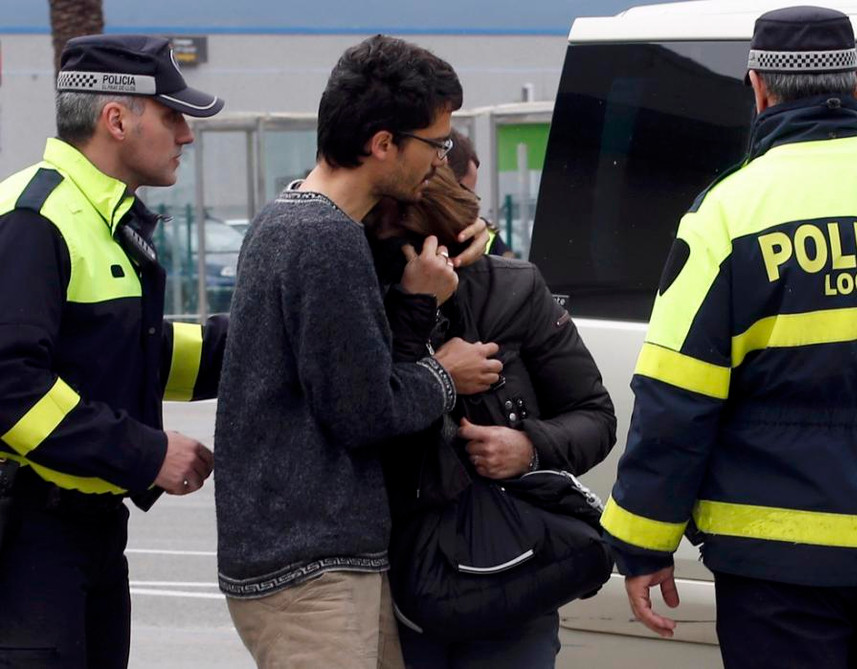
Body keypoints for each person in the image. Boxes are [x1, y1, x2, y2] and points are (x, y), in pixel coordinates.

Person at [601, 6, 857, 668]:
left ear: (758, 89)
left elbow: (676, 396)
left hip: (770, 555)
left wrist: (643, 541)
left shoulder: (729, 211)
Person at [214, 35, 502, 669]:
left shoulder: (292, 219)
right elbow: (363, 410)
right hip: (309, 570)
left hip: (311, 557)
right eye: (436, 144)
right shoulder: (323, 239)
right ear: (383, 144)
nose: (441, 160)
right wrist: (445, 374)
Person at [0, 35, 227, 669]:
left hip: (89, 531)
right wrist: (147, 453)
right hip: (30, 538)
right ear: (117, 119)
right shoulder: (35, 218)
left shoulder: (96, 215)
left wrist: (267, 336)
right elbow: (10, 388)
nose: (186, 134)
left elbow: (130, 351)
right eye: (173, 115)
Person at [367, 165, 616, 668]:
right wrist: (424, 339)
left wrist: (529, 447)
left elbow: (595, 416)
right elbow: (364, 419)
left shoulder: (513, 287)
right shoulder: (362, 296)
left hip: (508, 562)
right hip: (395, 575)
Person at [446, 128, 515, 257]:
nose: (471, 205)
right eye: (464, 193)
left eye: (472, 197)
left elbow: (509, 263)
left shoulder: (485, 234)